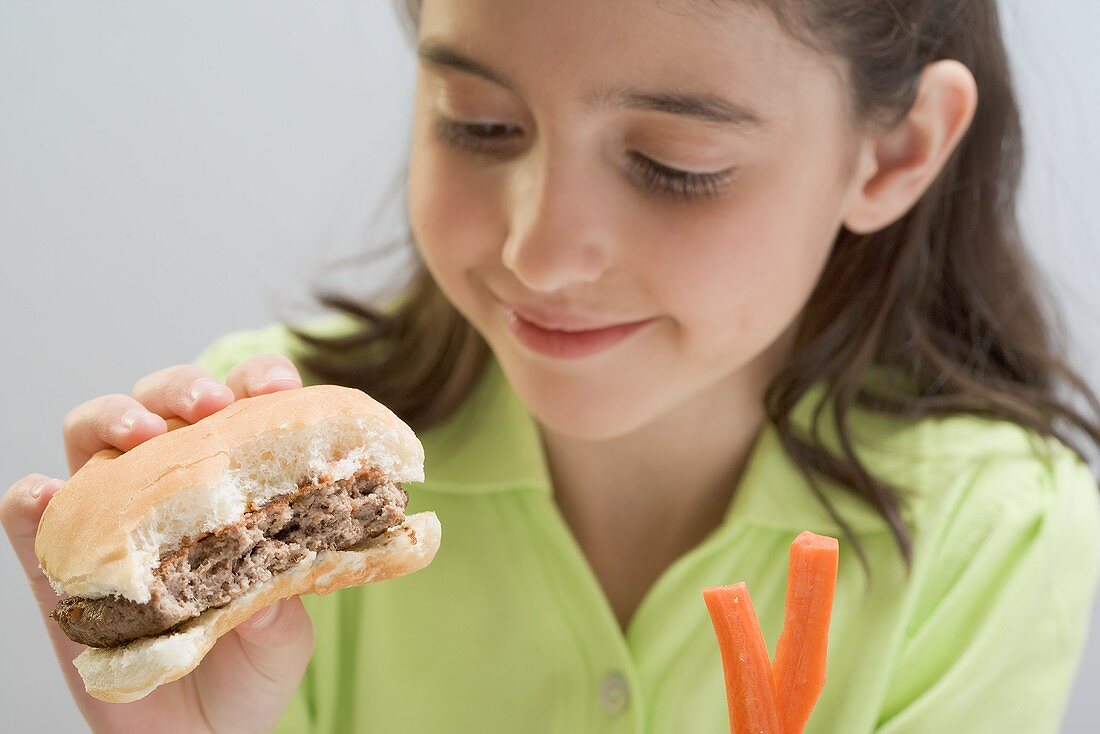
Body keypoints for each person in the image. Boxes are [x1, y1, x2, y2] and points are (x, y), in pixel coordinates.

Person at [4, 1, 1100, 732]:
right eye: (478, 126)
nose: (538, 250)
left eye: (673, 166)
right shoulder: (272, 440)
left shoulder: (990, 523)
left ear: (897, 149)